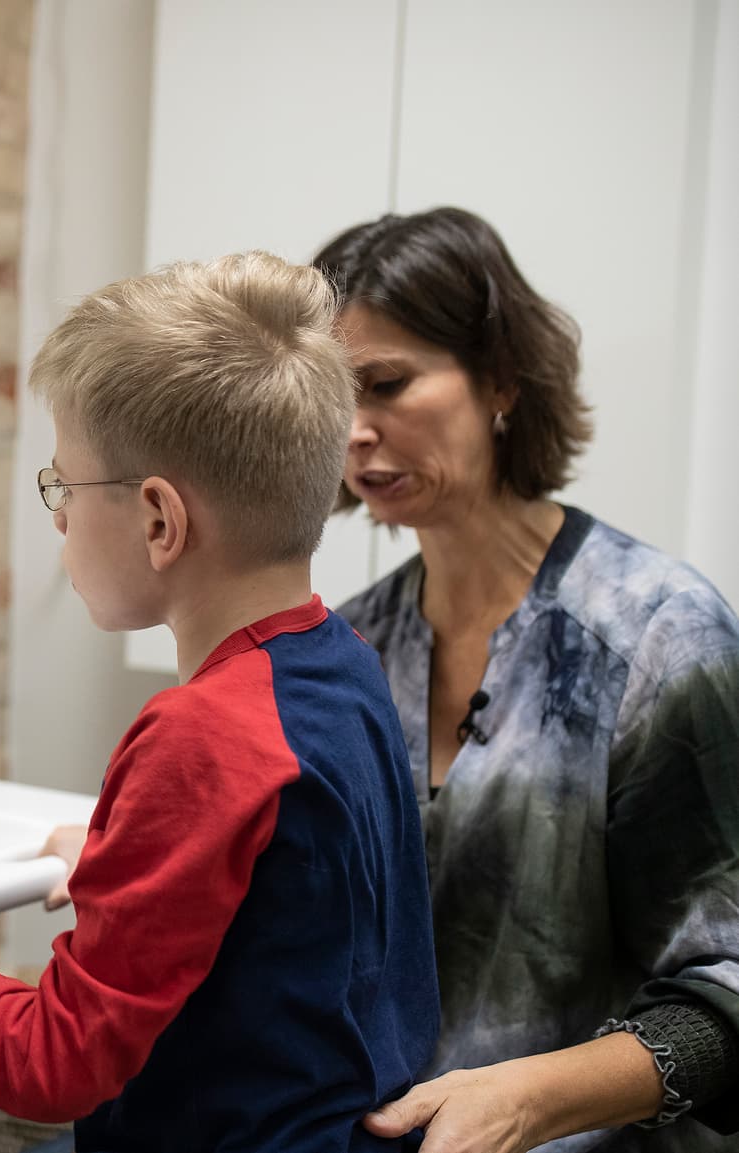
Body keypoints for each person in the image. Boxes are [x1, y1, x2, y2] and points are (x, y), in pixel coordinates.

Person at [0, 253, 440, 1152]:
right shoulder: (342, 662)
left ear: (160, 520)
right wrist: (117, 857)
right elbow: (292, 895)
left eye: (63, 488)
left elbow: (51, 1064)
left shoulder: (198, 735)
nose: (57, 520)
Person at [313, 206, 739, 1152]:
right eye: (333, 398)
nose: (354, 432)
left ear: (501, 376)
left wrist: (528, 1100)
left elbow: (726, 986)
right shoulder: (354, 646)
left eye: (386, 385)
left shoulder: (659, 637)